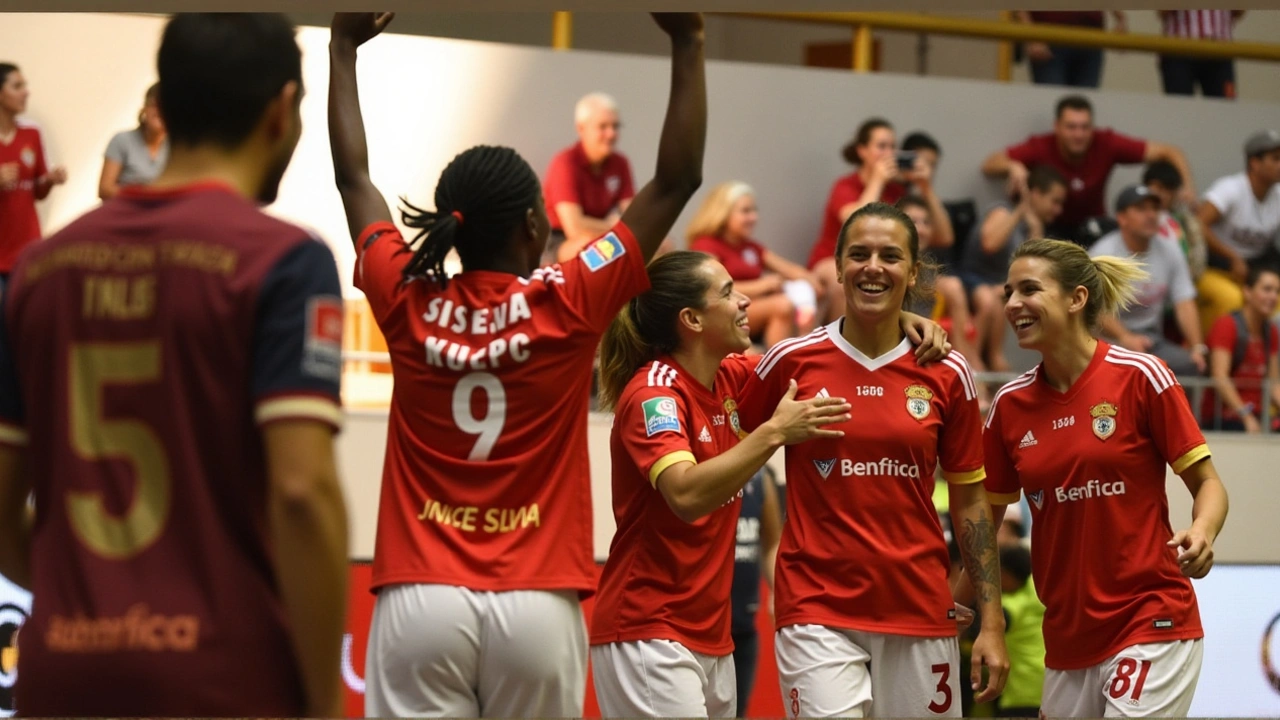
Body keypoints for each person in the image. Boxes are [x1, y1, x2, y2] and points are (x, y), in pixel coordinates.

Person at [326, 11, 708, 718]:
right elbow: (679, 178)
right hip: (537, 600)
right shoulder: (570, 294)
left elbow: (354, 180)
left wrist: (342, 48)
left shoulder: (404, 291)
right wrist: (688, 41)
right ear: (535, 225)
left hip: (419, 596)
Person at [0, 13, 349, 717]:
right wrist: (321, 704)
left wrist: (85, 600)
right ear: (281, 110)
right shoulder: (283, 262)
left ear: (169, 103)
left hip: (61, 672)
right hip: (221, 675)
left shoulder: (39, 271)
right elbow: (302, 492)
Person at [743, 202, 1010, 718]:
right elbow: (726, 433)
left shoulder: (947, 371)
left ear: (913, 272)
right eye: (859, 254)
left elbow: (972, 502)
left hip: (919, 607)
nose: (873, 267)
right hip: (816, 609)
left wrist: (991, 621)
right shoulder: (791, 360)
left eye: (891, 256)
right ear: (837, 266)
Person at [590, 251, 853, 718]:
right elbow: (686, 495)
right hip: (649, 628)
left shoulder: (729, 375)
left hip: (713, 633)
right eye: (729, 292)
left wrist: (902, 320)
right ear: (691, 319)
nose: (745, 300)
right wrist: (774, 432)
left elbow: (820, 358)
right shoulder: (654, 394)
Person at [984, 238, 1229, 717]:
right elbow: (982, 529)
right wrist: (967, 618)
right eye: (1008, 293)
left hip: (1151, 619)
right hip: (1068, 642)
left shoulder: (1141, 376)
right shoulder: (1008, 407)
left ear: (1076, 299)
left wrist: (1202, 533)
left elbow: (1209, 484)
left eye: (1029, 289)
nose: (1013, 304)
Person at [981, 95, 1194, 246]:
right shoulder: (1041, 146)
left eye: (1085, 127)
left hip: (1094, 228)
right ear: (1057, 127)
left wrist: (1187, 188)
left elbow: (1170, 152)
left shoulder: (1106, 142)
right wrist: (1012, 166)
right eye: (1071, 127)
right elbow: (989, 164)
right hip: (1051, 227)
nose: (1079, 134)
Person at [810, 119, 951, 323]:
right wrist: (877, 180)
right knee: (842, 282)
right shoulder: (845, 186)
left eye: (893, 147)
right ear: (862, 151)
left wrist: (926, 188)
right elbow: (854, 223)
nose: (889, 153)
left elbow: (944, 237)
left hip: (878, 257)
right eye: (881, 146)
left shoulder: (897, 191)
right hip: (830, 259)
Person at [1088, 185, 1206, 378]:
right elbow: (1094, 310)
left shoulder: (1170, 249)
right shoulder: (1103, 255)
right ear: (1122, 218)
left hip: (1151, 338)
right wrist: (1125, 337)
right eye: (1141, 209)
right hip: (1106, 340)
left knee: (1190, 366)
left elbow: (1184, 302)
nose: (1151, 215)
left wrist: (1197, 347)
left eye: (1155, 209)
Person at [687, 181, 822, 348]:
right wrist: (764, 286)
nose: (754, 217)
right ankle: (778, 365)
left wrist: (811, 280)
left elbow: (788, 269)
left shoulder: (751, 247)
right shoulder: (706, 245)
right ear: (723, 213)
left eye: (754, 211)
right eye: (746, 211)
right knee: (783, 305)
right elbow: (711, 289)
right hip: (725, 310)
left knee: (800, 299)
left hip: (751, 307)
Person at [961, 165, 1067, 375]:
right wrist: (1021, 209)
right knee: (990, 297)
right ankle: (973, 360)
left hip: (1000, 287)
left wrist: (1035, 227)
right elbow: (990, 244)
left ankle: (994, 359)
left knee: (1005, 296)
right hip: (972, 280)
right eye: (1055, 201)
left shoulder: (1032, 224)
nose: (1058, 210)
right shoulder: (1003, 211)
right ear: (1035, 194)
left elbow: (1036, 269)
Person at [1194, 130, 1280, 329]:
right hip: (1217, 264)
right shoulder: (1230, 189)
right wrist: (1232, 257)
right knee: (1231, 300)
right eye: (1275, 159)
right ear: (1255, 163)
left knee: (1273, 303)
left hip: (1255, 267)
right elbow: (1198, 224)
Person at [543, 92, 635, 263]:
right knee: (591, 250)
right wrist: (617, 226)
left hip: (604, 238)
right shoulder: (565, 163)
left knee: (661, 245)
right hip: (559, 242)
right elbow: (574, 227)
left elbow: (634, 216)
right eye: (603, 127)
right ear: (581, 128)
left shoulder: (620, 163)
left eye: (615, 126)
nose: (611, 134)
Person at [0, 62, 67, 289]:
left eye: (25, 85)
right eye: (17, 86)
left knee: (22, 322)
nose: (26, 92)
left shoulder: (32, 134)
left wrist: (49, 180)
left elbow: (37, 192)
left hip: (26, 248)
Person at [729, 466, 782, 718]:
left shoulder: (760, 478)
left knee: (738, 713)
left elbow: (771, 543)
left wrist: (779, 590)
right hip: (696, 629)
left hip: (742, 627)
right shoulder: (693, 469)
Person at [1202, 265, 1280, 432]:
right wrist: (1245, 415)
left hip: (1258, 416)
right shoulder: (1227, 325)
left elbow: (1274, 384)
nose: (1273, 296)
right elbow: (1219, 376)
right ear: (1247, 292)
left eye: (1277, 291)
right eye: (1267, 289)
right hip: (1224, 417)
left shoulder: (1271, 331)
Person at [1014, 11, 1128, 89]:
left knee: (1084, 106)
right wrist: (1032, 35)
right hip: (1049, 35)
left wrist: (1120, 19)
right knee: (1052, 102)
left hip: (1091, 38)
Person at [98, 82, 169, 200]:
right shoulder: (122, 140)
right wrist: (146, 194)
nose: (158, 111)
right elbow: (105, 189)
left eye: (165, 106)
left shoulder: (177, 148)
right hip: (126, 213)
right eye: (154, 105)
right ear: (144, 109)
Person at [1157, 10, 1245, 99]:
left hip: (1221, 50)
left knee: (1225, 108)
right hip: (1179, 49)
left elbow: (1240, 10)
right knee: (1180, 107)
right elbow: (1161, 9)